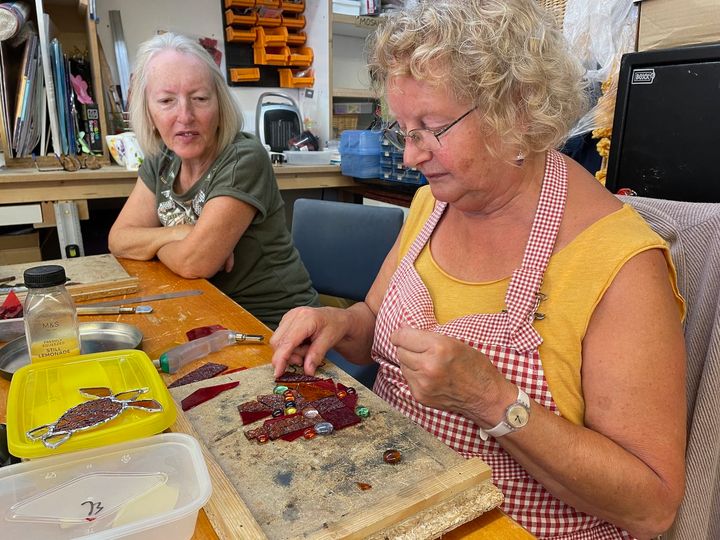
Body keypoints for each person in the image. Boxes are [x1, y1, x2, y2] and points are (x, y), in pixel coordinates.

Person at [270, 1, 687, 538]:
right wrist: (340, 326)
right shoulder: (434, 203)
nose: (413, 156)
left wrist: (491, 398)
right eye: (404, 130)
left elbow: (651, 506)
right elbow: (375, 318)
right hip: (396, 502)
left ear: (516, 112)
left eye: (431, 128)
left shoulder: (621, 266)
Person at [108, 33, 318, 329]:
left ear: (219, 104)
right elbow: (118, 239)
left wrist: (161, 245)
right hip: (209, 313)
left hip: (275, 327)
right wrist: (181, 233)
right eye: (167, 100)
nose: (185, 115)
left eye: (199, 98)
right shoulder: (162, 159)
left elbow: (195, 263)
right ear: (149, 111)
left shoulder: (243, 158)